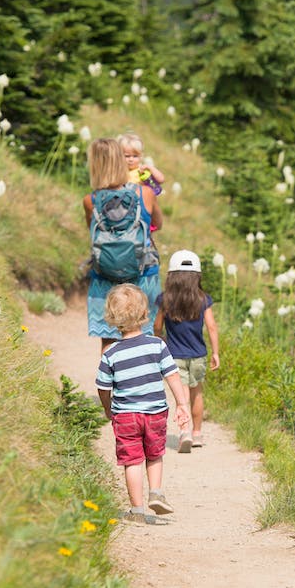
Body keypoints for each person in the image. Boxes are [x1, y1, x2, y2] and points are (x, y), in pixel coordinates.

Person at [96, 283, 190, 523]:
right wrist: (181, 404)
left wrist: (108, 408)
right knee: (155, 454)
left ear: (112, 318)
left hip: (125, 415)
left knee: (132, 460)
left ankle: (137, 510)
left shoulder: (110, 353)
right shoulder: (157, 345)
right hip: (155, 412)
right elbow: (173, 375)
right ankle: (156, 492)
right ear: (144, 314)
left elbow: (103, 387)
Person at [84, 137, 162, 349]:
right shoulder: (145, 193)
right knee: (145, 339)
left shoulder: (90, 200)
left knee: (109, 340)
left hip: (105, 275)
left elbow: (92, 232)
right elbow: (158, 223)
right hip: (143, 274)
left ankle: (108, 382)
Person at [154, 249, 220, 452]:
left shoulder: (165, 299)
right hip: (198, 354)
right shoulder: (203, 299)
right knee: (197, 393)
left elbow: (157, 326)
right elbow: (211, 327)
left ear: (171, 276)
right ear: (197, 276)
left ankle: (184, 432)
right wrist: (216, 352)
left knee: (181, 396)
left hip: (174, 355)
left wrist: (160, 340)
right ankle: (198, 433)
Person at [117, 132, 167, 332]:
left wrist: (149, 167)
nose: (130, 160)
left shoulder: (141, 172)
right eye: (126, 155)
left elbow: (161, 179)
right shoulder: (118, 174)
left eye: (134, 156)